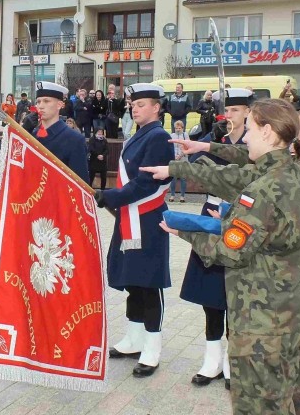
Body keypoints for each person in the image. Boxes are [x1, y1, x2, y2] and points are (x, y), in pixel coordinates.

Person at [144, 98, 300, 413]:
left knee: (259, 405)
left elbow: (228, 252)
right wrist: (184, 163)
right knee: (278, 401)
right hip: (285, 307)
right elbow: (238, 176)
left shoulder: (263, 189)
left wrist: (184, 231)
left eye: (250, 129)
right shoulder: (287, 171)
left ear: (266, 132)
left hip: (262, 321)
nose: (245, 136)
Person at [94, 83, 176, 378]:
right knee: (132, 280)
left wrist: (110, 197)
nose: (134, 108)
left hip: (148, 219)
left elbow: (146, 184)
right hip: (130, 216)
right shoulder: (138, 135)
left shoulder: (158, 136)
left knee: (149, 283)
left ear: (156, 107)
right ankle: (133, 339)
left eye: (141, 104)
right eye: (133, 104)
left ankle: (152, 349)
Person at [178, 88, 253, 390]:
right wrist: (210, 133)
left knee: (236, 299)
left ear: (248, 112)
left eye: (236, 111)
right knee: (211, 296)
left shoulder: (254, 145)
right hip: (212, 214)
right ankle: (211, 360)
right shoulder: (216, 141)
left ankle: (233, 364)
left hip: (241, 222)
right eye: (227, 111)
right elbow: (196, 166)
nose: (230, 116)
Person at [32, 82, 89, 183]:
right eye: (38, 101)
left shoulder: (74, 139)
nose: (40, 106)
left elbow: (81, 185)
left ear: (59, 105)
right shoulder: (33, 135)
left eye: (46, 101)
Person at [169, 120, 188, 203]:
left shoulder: (185, 135)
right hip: (174, 158)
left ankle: (182, 196)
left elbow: (187, 146)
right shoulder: (171, 135)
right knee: (173, 178)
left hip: (183, 158)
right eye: (176, 128)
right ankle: (172, 195)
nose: (177, 129)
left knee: (183, 178)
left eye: (179, 128)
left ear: (182, 128)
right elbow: (169, 147)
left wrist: (180, 155)